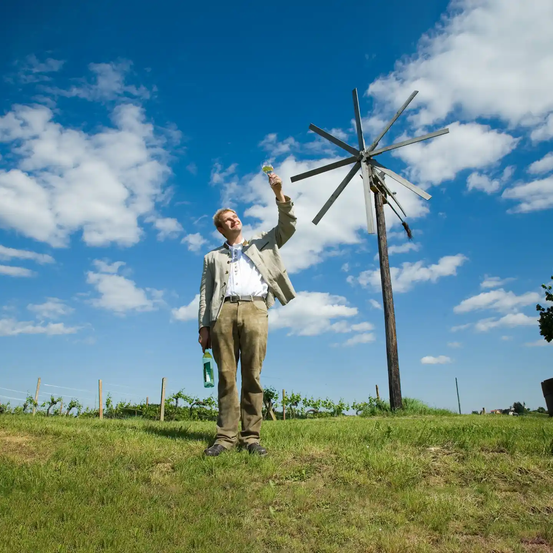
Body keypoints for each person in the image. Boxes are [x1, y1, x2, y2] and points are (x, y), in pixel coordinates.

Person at [198, 173, 296, 456]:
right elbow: (205, 293)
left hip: (256, 308)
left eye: (235, 216)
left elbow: (287, 227)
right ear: (220, 228)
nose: (234, 220)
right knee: (227, 376)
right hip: (222, 312)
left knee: (252, 374)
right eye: (227, 219)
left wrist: (279, 194)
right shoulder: (211, 257)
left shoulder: (262, 242)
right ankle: (225, 438)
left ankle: (251, 437)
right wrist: (204, 327)